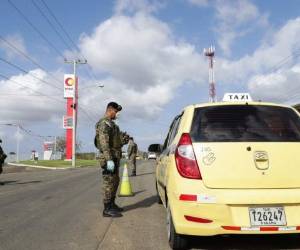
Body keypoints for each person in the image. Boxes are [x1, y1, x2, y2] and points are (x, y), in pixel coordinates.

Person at [95, 102, 130, 217]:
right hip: (108, 158)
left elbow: (115, 143)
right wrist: (109, 159)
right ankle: (107, 208)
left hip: (115, 157)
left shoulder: (113, 125)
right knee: (109, 182)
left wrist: (123, 140)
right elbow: (104, 143)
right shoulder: (104, 123)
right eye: (116, 112)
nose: (117, 114)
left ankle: (112, 204)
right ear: (110, 110)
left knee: (115, 181)